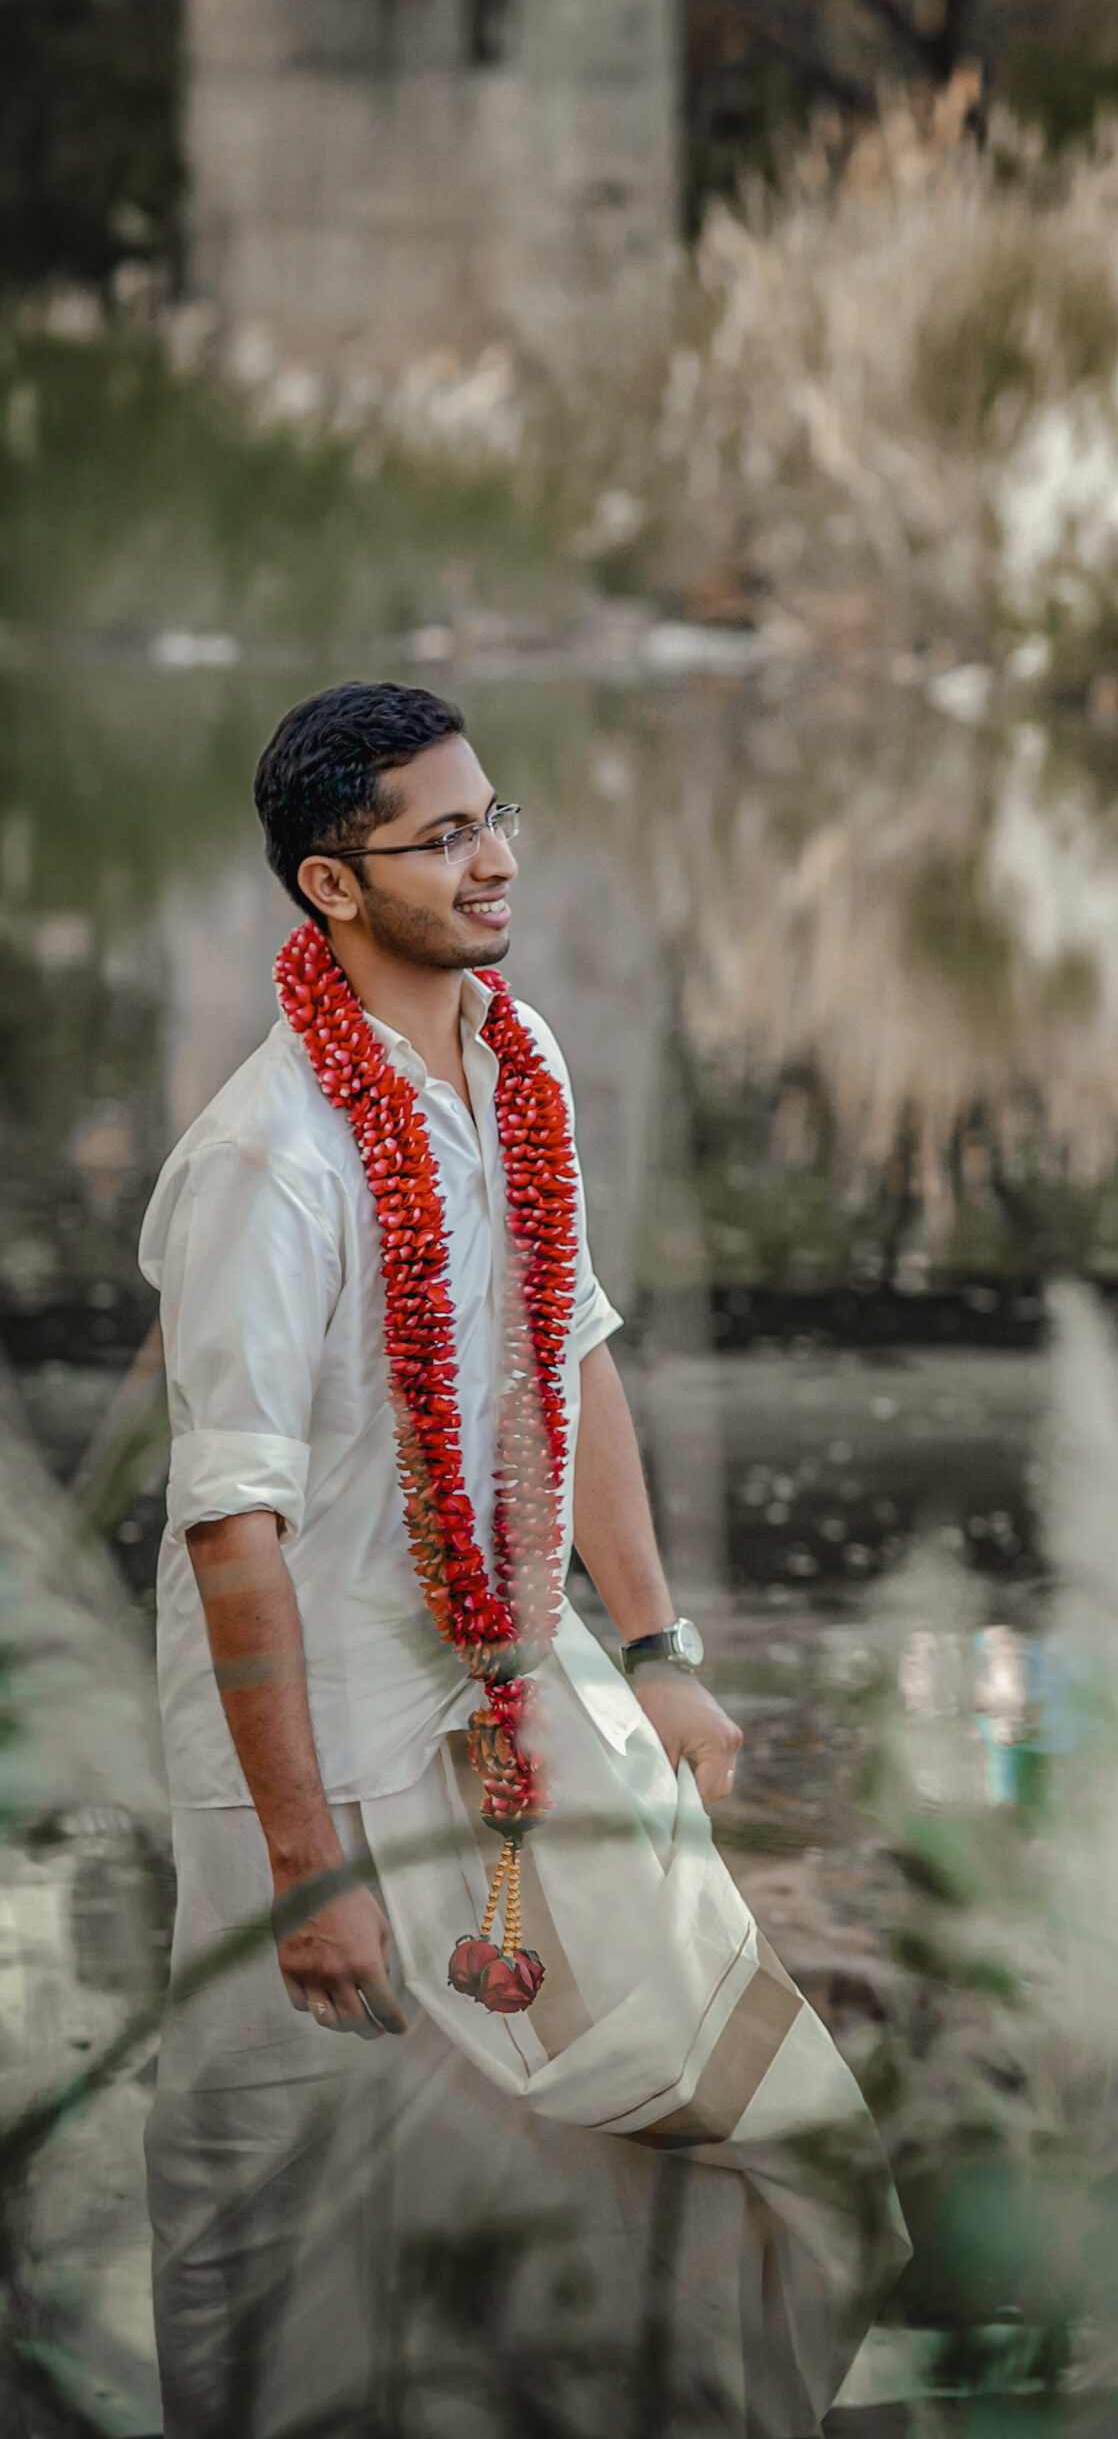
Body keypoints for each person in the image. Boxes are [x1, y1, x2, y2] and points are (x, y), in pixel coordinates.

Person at [140, 682, 906, 2438]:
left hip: (513, 1678)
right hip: (306, 1731)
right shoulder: (268, 1160)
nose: (495, 861)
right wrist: (304, 1865)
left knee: (750, 2125)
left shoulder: (522, 1059)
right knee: (286, 2181)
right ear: (332, 887)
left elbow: (571, 1352)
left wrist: (658, 1649)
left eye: (499, 817)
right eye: (445, 834)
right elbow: (229, 1529)